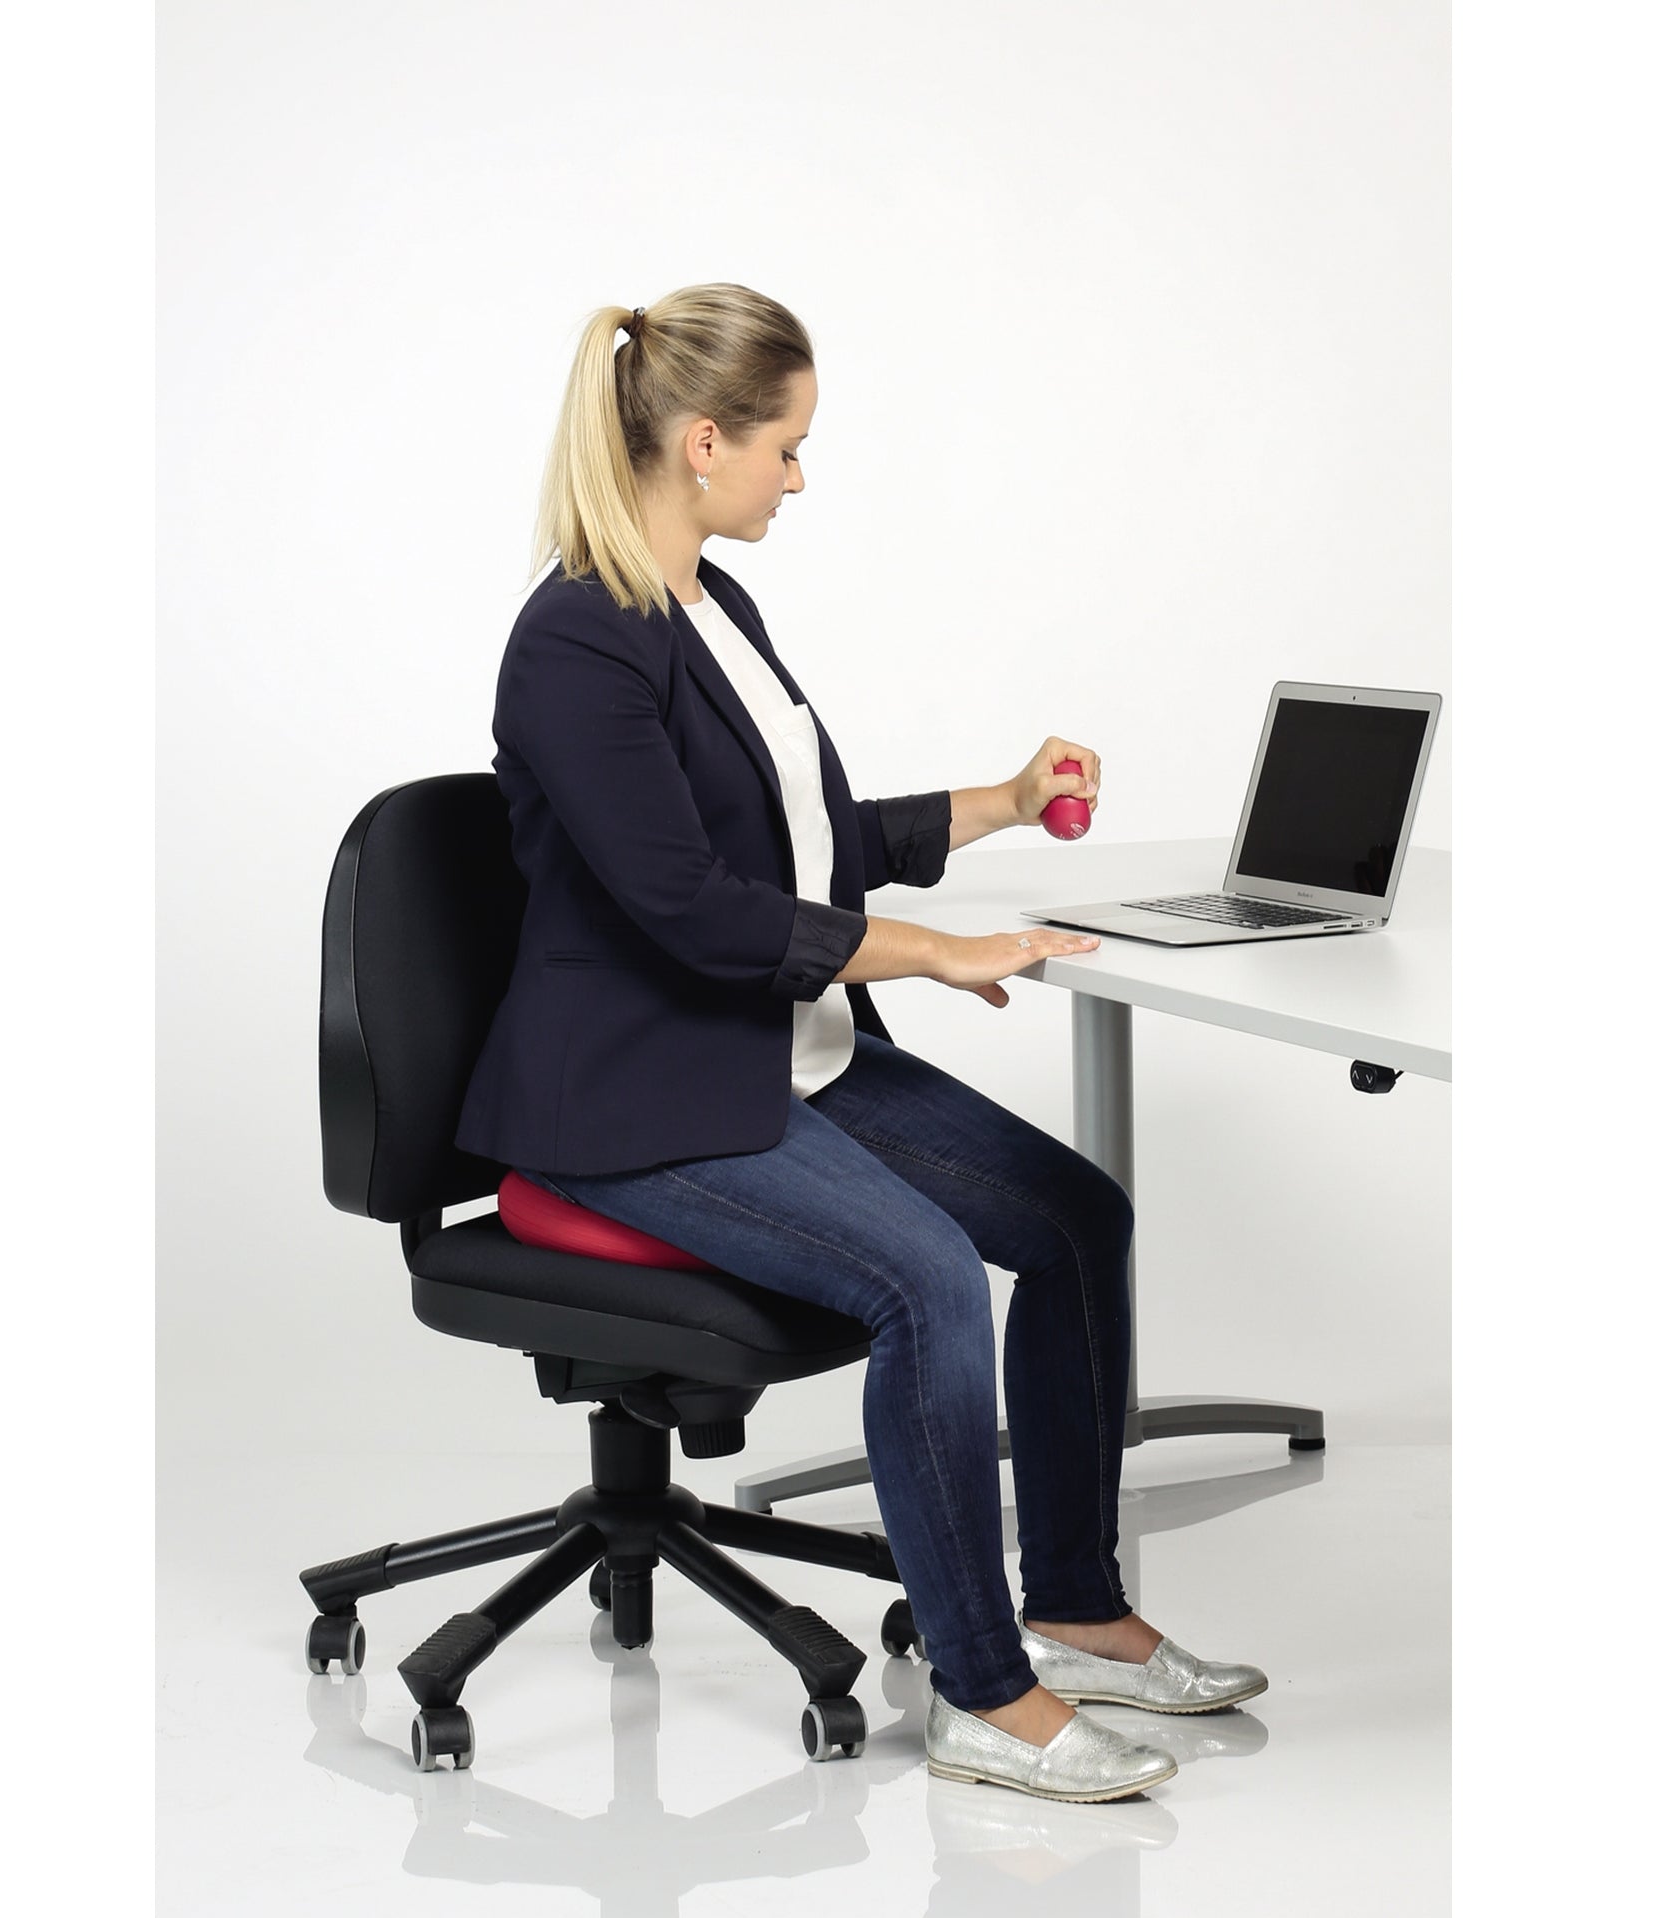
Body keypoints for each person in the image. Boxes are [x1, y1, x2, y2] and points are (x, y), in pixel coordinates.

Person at [456, 282, 1266, 1805]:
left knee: (1075, 1221)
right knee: (928, 1278)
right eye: (787, 447)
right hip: (634, 1097)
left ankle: (1075, 1604)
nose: (799, 477)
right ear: (704, 442)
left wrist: (1003, 802)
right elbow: (695, 911)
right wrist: (937, 953)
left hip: (782, 1049)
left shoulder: (715, 605)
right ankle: (983, 1692)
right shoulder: (575, 641)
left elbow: (806, 840)